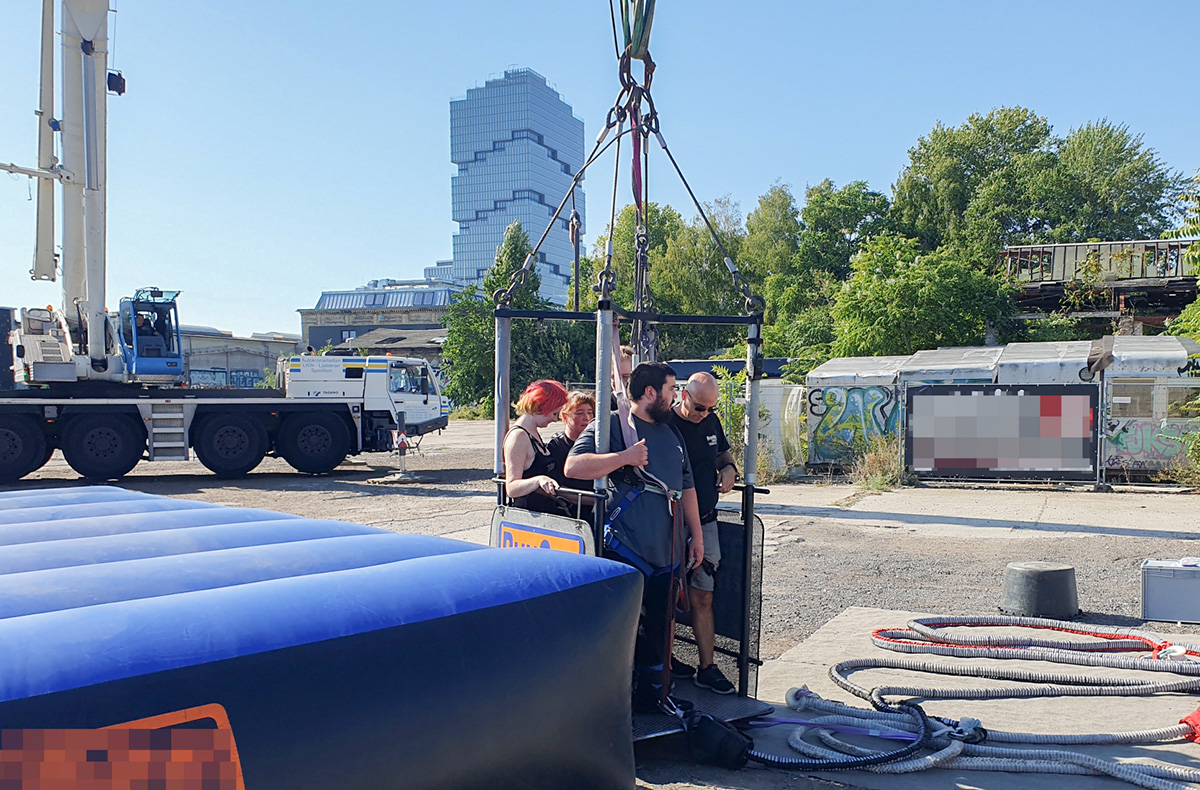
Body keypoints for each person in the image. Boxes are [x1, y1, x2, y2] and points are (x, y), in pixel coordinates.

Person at [566, 362, 704, 711]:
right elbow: (574, 467)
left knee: (658, 630)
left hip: (667, 551)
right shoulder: (612, 425)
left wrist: (697, 537)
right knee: (621, 631)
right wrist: (624, 457)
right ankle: (612, 704)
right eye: (672, 389)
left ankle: (653, 696)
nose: (676, 398)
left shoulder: (672, 435)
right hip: (626, 547)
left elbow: (686, 487)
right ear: (650, 393)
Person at [671, 372, 738, 694]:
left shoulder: (711, 422)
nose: (705, 414)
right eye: (700, 408)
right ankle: (662, 664)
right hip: (670, 522)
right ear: (683, 395)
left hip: (707, 519)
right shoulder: (663, 423)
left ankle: (707, 667)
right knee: (665, 595)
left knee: (704, 594)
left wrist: (729, 469)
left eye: (711, 408)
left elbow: (723, 454)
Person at [503, 380, 569, 514]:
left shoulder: (532, 433)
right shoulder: (519, 437)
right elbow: (512, 488)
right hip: (529, 518)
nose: (555, 420)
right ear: (540, 407)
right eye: (554, 413)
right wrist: (539, 480)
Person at [546, 390, 597, 518]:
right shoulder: (556, 446)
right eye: (579, 413)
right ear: (564, 417)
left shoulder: (599, 444)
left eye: (590, 412)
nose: (587, 418)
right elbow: (559, 489)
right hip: (568, 514)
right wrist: (599, 500)